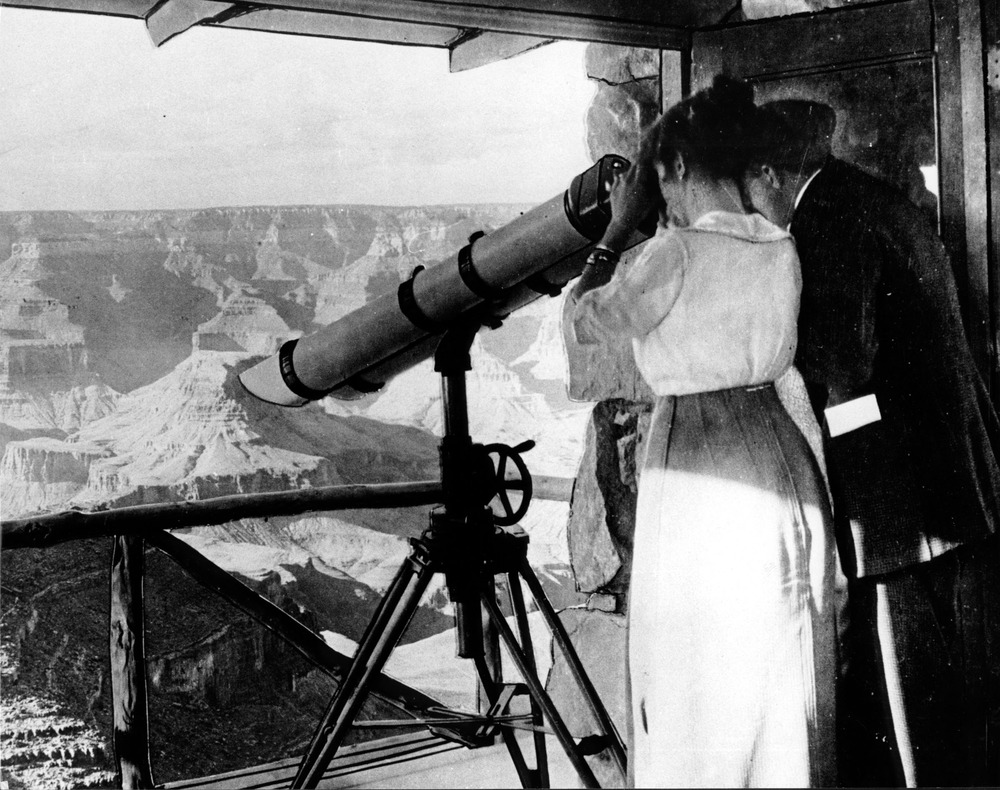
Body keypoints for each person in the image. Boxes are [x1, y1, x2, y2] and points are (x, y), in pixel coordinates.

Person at [570, 75, 837, 788]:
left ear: (679, 169)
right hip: (776, 448)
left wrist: (617, 233)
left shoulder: (671, 255)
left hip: (697, 460)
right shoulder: (780, 246)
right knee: (775, 650)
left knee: (698, 662)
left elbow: (584, 327)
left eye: (663, 182)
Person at [742, 99, 1000, 787]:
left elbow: (848, 372)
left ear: (769, 172)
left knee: (910, 701)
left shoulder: (824, 219)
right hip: (949, 487)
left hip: (900, 507)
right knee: (951, 698)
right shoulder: (871, 199)